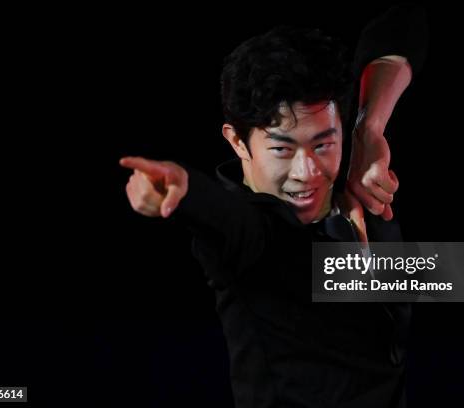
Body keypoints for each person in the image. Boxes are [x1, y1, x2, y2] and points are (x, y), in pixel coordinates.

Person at [120, 4, 427, 407]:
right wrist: (183, 187)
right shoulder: (252, 240)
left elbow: (403, 25)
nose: (307, 172)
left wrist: (369, 127)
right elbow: (221, 216)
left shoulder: (360, 191)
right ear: (236, 141)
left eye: (323, 144)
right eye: (282, 148)